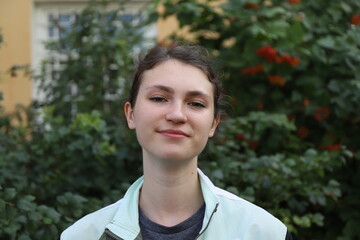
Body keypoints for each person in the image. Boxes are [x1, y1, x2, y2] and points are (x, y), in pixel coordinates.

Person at [60, 45, 293, 240]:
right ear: (131, 114)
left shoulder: (263, 233)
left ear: (213, 123)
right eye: (159, 98)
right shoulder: (83, 236)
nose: (177, 114)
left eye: (196, 103)